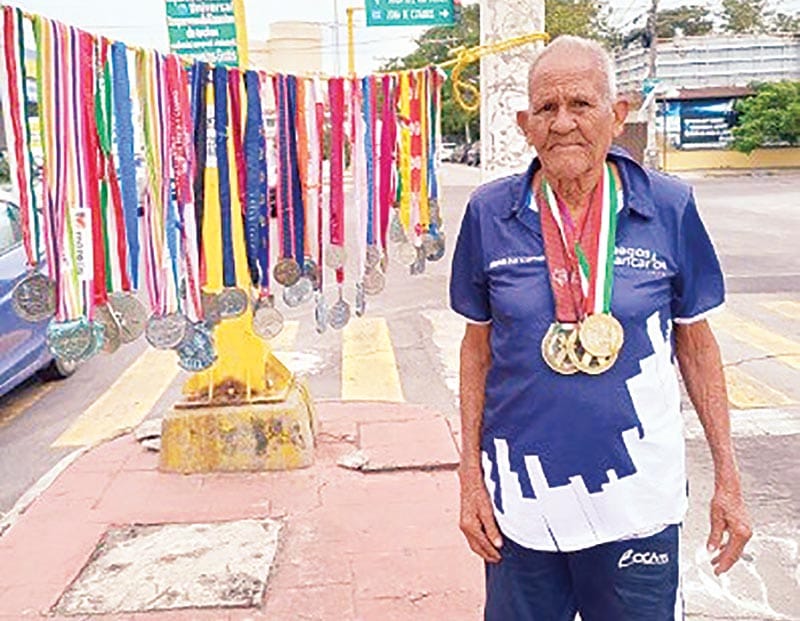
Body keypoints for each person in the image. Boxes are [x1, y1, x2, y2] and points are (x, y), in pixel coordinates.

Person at [449, 35, 751, 621]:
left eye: (581, 105)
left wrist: (728, 479)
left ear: (618, 115)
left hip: (638, 501)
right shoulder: (489, 214)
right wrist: (469, 482)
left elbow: (696, 343)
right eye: (547, 108)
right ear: (525, 125)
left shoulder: (668, 207)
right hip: (522, 506)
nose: (563, 122)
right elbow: (476, 350)